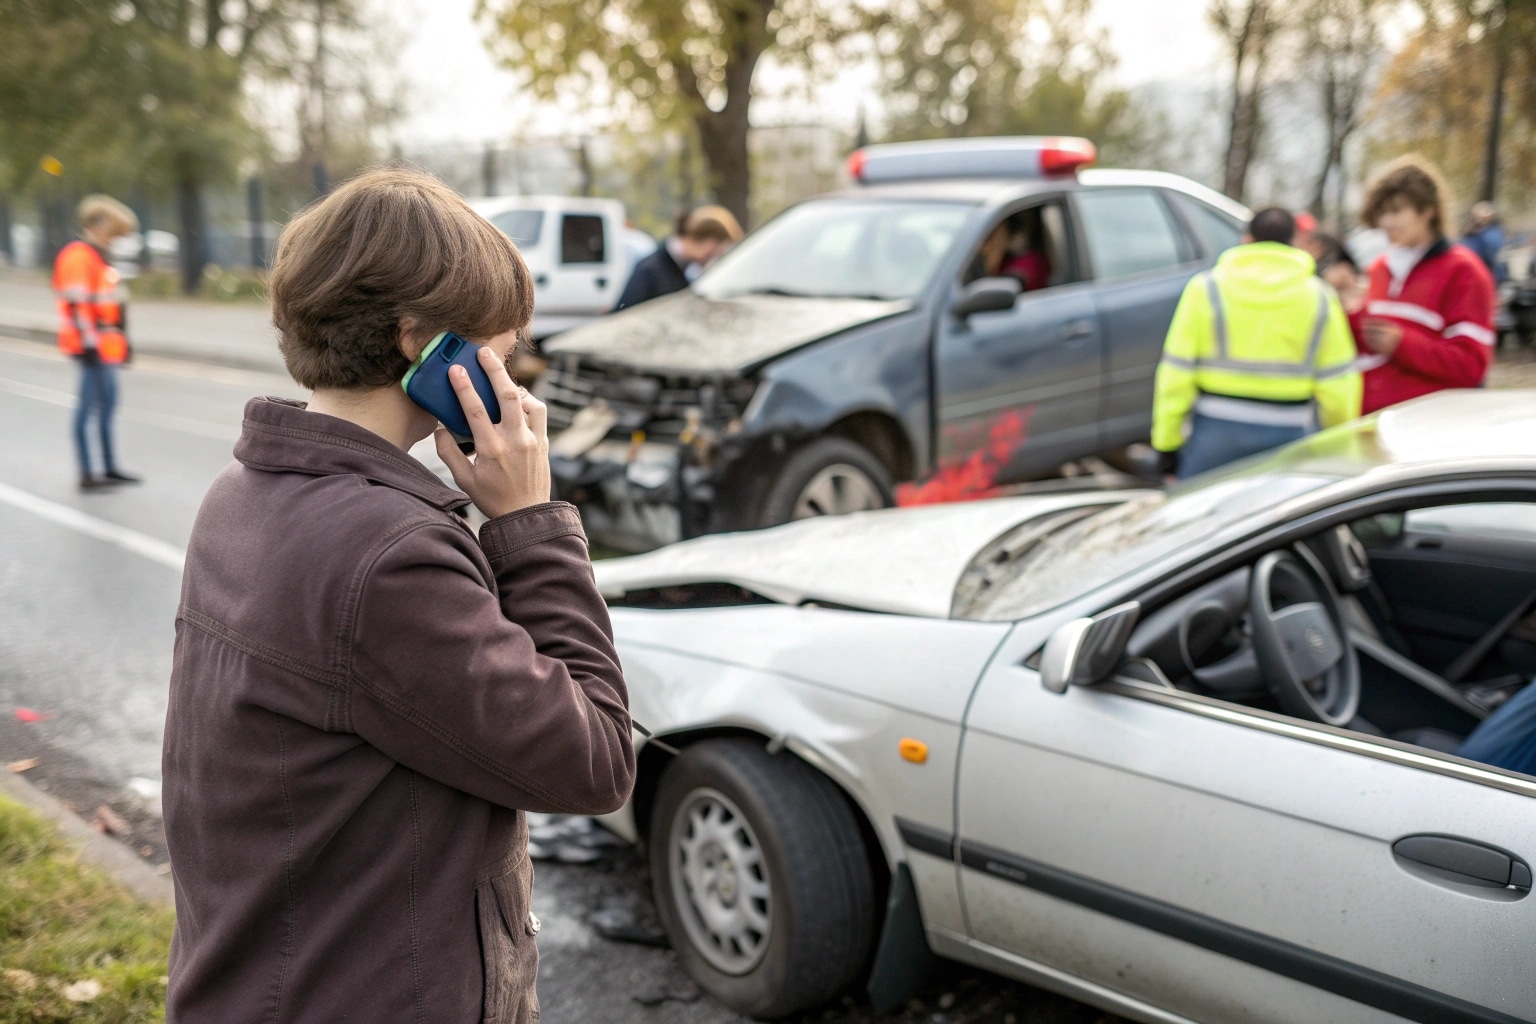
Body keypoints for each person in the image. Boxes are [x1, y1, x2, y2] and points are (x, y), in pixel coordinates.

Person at [162, 169, 635, 1024]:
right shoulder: (391, 556)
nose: (515, 372)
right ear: (422, 342)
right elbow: (597, 759)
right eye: (503, 345)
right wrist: (530, 522)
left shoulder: (245, 490)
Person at [1152, 207, 1362, 478]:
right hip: (1291, 436)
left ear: (1247, 240)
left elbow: (1175, 376)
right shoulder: (1320, 296)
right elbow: (1338, 385)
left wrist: (1167, 445)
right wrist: (1337, 446)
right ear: (1293, 243)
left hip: (1214, 437)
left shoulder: (1205, 288)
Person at [1356, 156, 1496, 414]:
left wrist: (1402, 344)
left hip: (1428, 430)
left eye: (1396, 211)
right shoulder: (1377, 268)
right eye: (1382, 213)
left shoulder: (1464, 271)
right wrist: (1348, 311)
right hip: (1371, 425)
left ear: (1427, 210)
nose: (1386, 222)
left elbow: (1471, 366)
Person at [55, 195, 140, 490]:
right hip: (92, 347)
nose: (115, 239)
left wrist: (123, 341)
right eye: (113, 232)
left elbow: (111, 306)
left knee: (106, 405)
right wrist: (89, 345)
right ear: (98, 224)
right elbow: (78, 306)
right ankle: (88, 473)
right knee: (88, 407)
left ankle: (107, 466)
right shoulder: (79, 256)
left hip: (106, 346)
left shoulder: (98, 256)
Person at [614, 204, 742, 310]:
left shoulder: (680, 269)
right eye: (712, 251)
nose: (711, 258)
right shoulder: (651, 271)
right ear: (698, 239)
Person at [1462, 201, 1508, 284]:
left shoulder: (1491, 234)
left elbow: (1490, 253)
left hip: (1490, 276)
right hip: (1475, 276)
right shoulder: (1471, 236)